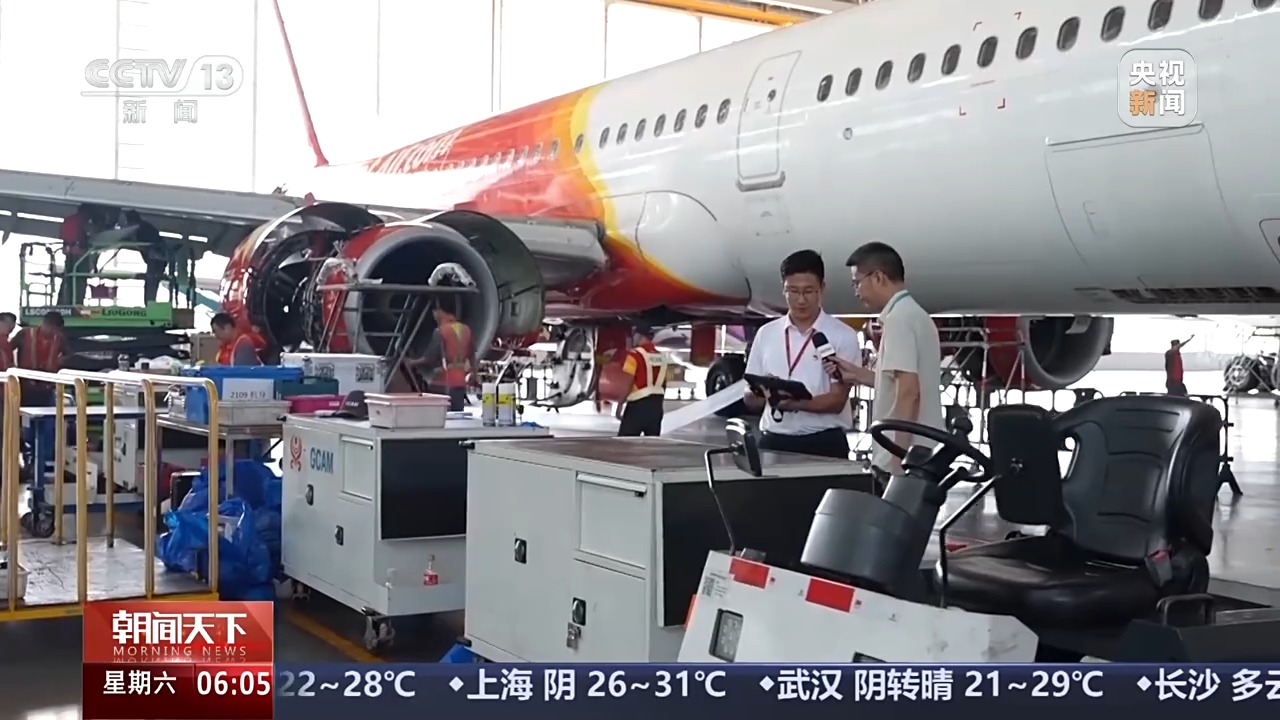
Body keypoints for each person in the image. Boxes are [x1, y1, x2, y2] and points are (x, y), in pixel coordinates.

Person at [826, 242, 944, 489]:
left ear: (878, 277)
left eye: (857, 282)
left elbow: (909, 391)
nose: (856, 291)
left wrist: (897, 459)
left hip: (906, 456)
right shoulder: (915, 315)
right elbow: (901, 382)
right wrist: (857, 374)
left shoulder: (898, 320)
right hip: (923, 453)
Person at [742, 250, 861, 459]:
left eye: (808, 291)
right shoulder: (766, 333)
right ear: (783, 288)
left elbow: (837, 401)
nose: (801, 300)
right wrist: (764, 392)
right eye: (793, 291)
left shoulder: (843, 335)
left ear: (822, 288)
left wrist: (795, 404)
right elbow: (749, 398)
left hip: (824, 443)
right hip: (774, 440)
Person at [411, 299, 474, 412]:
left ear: (440, 311)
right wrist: (474, 374)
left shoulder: (440, 331)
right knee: (457, 415)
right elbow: (472, 356)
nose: (433, 315)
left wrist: (411, 362)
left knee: (442, 415)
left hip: (444, 381)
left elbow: (429, 359)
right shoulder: (466, 330)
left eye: (434, 312)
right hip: (460, 381)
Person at [617, 324, 670, 437]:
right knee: (651, 444)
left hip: (637, 406)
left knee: (625, 442)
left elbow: (628, 383)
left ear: (639, 336)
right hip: (656, 407)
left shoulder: (634, 355)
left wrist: (620, 404)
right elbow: (664, 384)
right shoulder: (662, 357)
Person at [13, 311, 68, 406]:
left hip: (47, 383)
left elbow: (69, 355)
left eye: (56, 330)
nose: (52, 332)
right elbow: (7, 349)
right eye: (51, 327)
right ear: (44, 323)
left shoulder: (59, 338)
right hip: (25, 383)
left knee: (46, 411)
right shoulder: (24, 333)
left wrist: (59, 361)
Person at [125, 210, 170, 304]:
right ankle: (149, 302)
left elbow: (148, 246)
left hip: (156, 258)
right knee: (152, 281)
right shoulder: (143, 227)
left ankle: (149, 303)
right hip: (157, 258)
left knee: (151, 281)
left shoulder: (142, 228)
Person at [58, 204, 96, 305]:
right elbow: (85, 237)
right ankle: (77, 302)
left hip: (69, 252)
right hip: (79, 253)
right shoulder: (83, 222)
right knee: (80, 279)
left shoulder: (68, 220)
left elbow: (63, 236)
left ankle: (63, 301)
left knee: (68, 278)